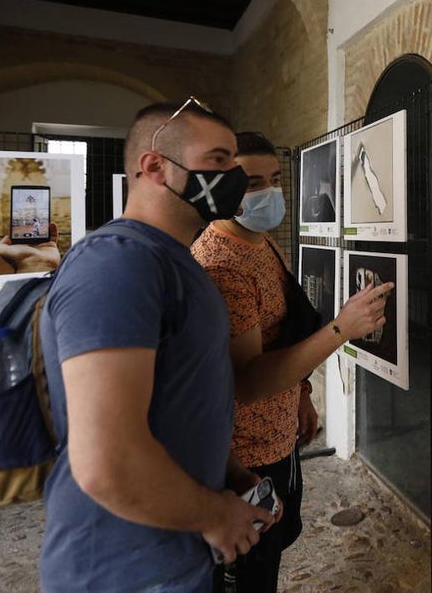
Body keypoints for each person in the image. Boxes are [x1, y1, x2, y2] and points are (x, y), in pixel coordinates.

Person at [38, 99, 276, 593]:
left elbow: (177, 398)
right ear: (154, 166)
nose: (233, 175)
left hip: (173, 558)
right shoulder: (119, 264)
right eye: (217, 159)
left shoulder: (175, 264)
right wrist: (214, 514)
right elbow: (109, 461)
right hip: (122, 570)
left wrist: (226, 471)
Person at [192, 131, 392, 593]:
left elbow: (282, 332)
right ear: (222, 188)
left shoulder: (260, 240)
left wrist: (301, 394)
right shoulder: (223, 266)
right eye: (253, 182)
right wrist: (341, 329)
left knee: (271, 560)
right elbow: (248, 381)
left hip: (279, 439)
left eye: (276, 179)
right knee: (248, 578)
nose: (270, 192)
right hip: (246, 458)